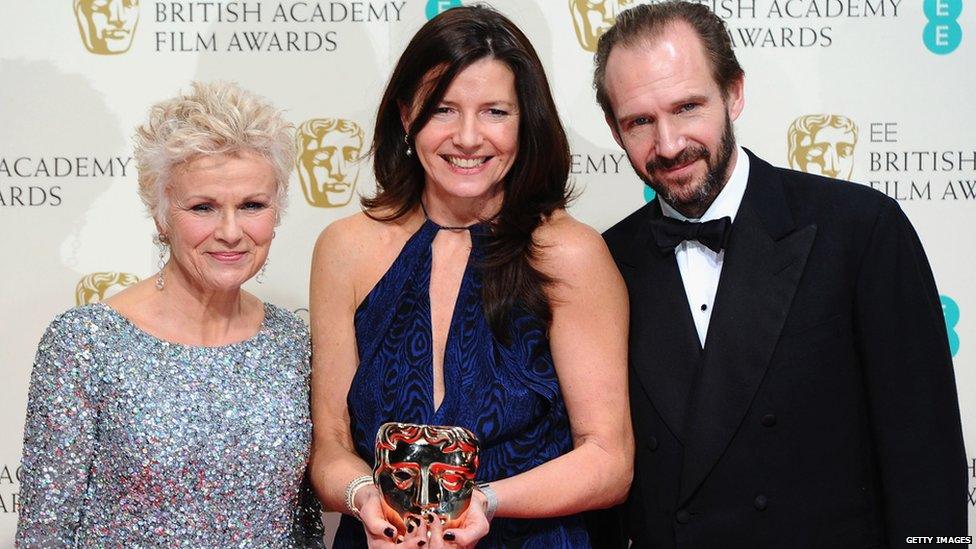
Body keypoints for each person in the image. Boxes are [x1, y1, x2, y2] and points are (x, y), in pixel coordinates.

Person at [595, 2, 967, 547]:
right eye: (640, 122)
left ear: (735, 92)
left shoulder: (861, 230)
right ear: (613, 127)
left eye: (687, 107)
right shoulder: (604, 263)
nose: (669, 144)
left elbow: (926, 461)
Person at [308, 6, 633, 548]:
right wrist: (365, 495)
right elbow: (331, 446)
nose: (467, 137)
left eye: (495, 112)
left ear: (526, 120)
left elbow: (609, 458)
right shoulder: (345, 249)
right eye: (442, 109)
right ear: (406, 116)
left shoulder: (568, 254)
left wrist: (486, 500)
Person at [16, 81, 324, 547]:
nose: (230, 231)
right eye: (203, 207)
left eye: (252, 206)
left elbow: (302, 527)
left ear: (276, 213)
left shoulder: (292, 343)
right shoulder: (85, 343)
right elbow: (44, 532)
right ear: (161, 215)